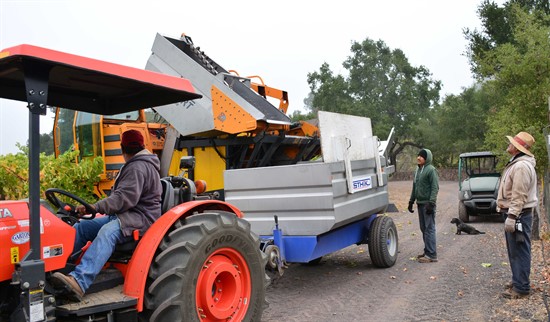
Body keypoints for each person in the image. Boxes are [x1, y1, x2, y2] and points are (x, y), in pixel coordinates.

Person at [51, 129, 162, 301]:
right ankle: (58, 269)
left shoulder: (138, 167)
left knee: (107, 232)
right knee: (82, 226)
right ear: (143, 145)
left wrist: (94, 207)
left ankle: (79, 281)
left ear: (122, 148)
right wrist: (95, 207)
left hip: (140, 218)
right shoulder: (137, 164)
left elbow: (123, 199)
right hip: (126, 215)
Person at [497, 131, 537, 299]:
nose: (510, 144)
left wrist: (512, 216)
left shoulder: (521, 166)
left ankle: (521, 287)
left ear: (519, 148)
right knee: (515, 250)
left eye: (513, 143)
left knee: (519, 250)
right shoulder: (518, 163)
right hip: (519, 213)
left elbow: (519, 194)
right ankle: (518, 280)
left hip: (519, 214)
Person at [408, 148, 439, 263]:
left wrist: (431, 203)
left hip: (427, 204)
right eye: (418, 155)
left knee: (429, 228)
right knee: (423, 228)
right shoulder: (417, 170)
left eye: (421, 156)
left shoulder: (431, 170)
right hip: (420, 203)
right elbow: (414, 186)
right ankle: (427, 251)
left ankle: (432, 255)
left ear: (427, 158)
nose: (418, 157)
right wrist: (411, 201)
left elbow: (435, 187)